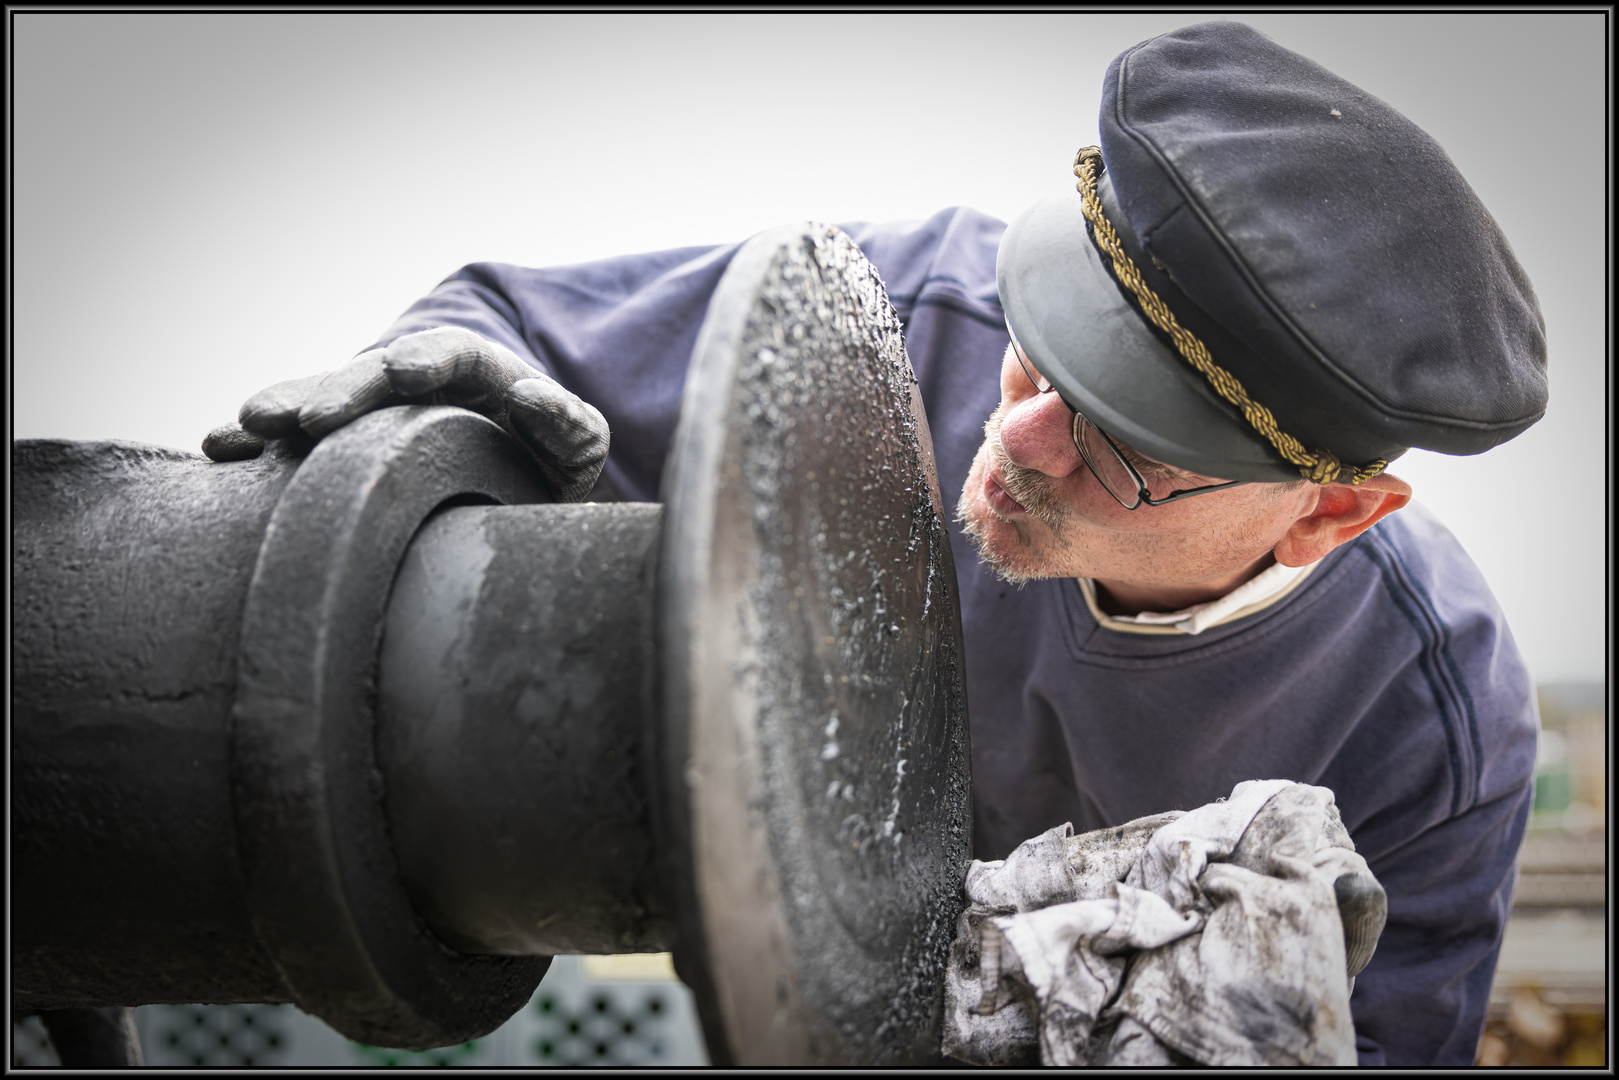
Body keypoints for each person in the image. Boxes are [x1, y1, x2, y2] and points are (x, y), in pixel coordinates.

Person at [203, 22, 1545, 1067]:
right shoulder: (886, 333)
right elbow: (509, 324)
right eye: (1041, 361)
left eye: (1125, 448)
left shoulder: (1429, 728)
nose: (1019, 444)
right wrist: (443, 394)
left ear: (1330, 511)